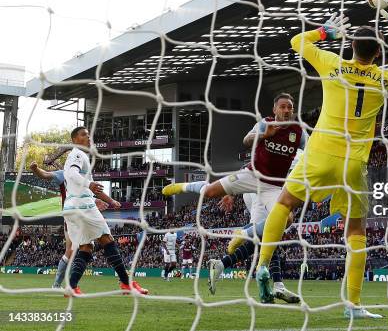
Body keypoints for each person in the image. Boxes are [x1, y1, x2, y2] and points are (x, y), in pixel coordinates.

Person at [254, 0, 388, 319]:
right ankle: (353, 306)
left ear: (351, 47)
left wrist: (325, 32)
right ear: (378, 53)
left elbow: (296, 41)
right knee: (356, 230)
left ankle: (262, 266)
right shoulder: (383, 78)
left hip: (319, 152)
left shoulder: (332, 64)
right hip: (354, 164)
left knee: (285, 203)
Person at [162, 93, 307, 303]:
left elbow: (311, 152)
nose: (286, 110)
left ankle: (271, 283)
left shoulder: (299, 132)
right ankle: (183, 186)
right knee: (211, 192)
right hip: (251, 176)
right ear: (275, 109)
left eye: (290, 107)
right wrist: (264, 135)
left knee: (282, 223)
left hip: (274, 186)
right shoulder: (264, 124)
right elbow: (246, 140)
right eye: (282, 107)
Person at [63, 126, 148, 296]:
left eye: (88, 135)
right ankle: (126, 283)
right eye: (83, 135)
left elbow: (92, 187)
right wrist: (89, 185)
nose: (88, 137)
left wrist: (110, 200)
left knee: (86, 247)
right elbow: (73, 174)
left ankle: (71, 287)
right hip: (83, 206)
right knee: (107, 239)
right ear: (74, 140)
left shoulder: (80, 158)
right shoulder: (78, 154)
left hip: (70, 208)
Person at [29, 159, 110, 289]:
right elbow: (45, 175)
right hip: (72, 217)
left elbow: (86, 196)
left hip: (85, 216)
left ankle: (65, 285)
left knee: (82, 249)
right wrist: (35, 169)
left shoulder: (85, 178)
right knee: (74, 250)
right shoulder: (64, 174)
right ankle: (65, 285)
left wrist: (99, 201)